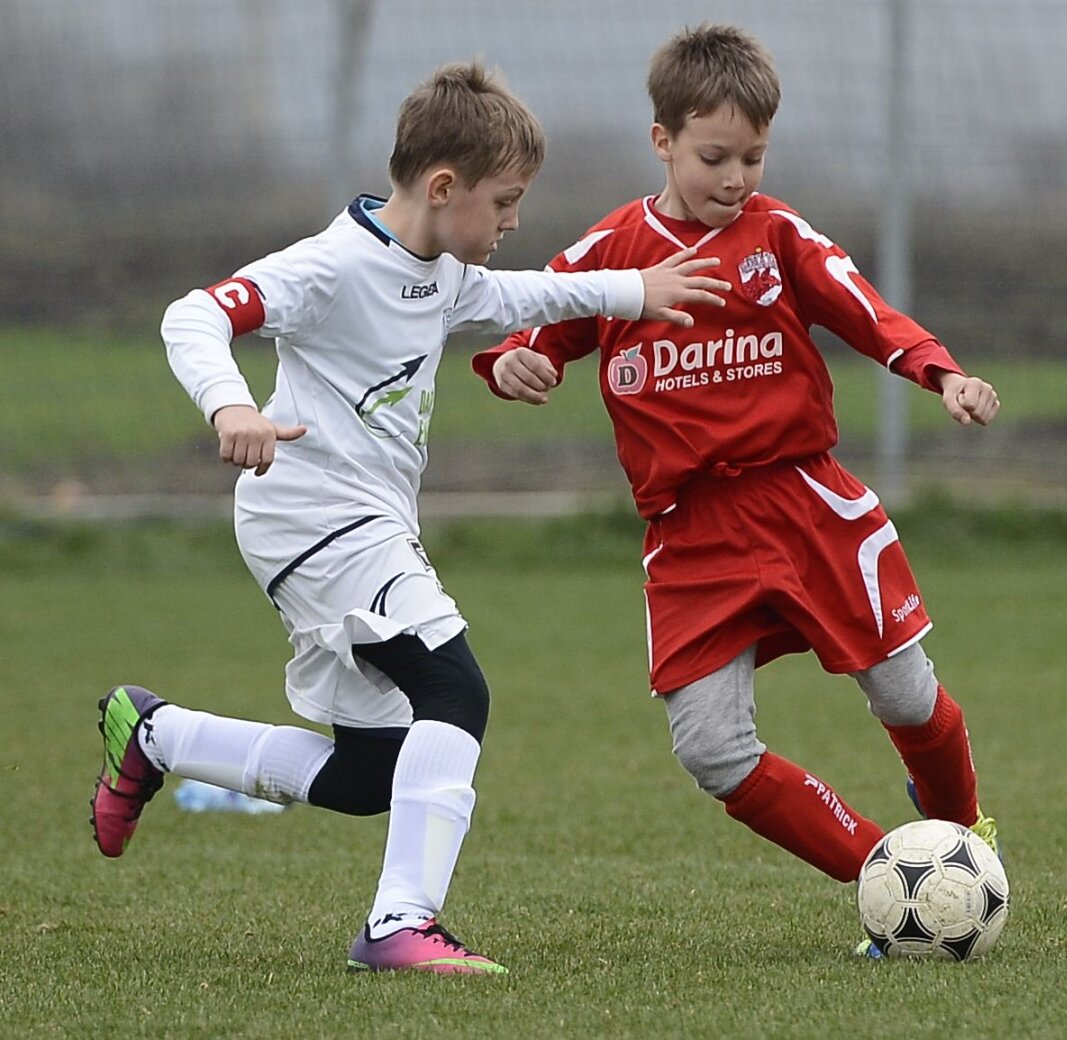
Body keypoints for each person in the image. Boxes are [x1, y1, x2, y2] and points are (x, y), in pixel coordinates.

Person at [89, 60, 729, 976]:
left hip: (344, 527)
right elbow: (195, 315)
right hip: (318, 518)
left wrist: (632, 291)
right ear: (442, 187)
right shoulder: (332, 266)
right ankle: (401, 924)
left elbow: (523, 298)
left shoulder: (439, 269)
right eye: (505, 201)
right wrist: (231, 407)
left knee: (368, 777)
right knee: (457, 692)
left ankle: (152, 734)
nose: (512, 222)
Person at [472, 24, 1002, 957]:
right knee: (712, 751)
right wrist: (513, 363)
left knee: (907, 696)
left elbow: (868, 312)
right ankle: (894, 878)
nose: (736, 177)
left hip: (806, 504)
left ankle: (965, 844)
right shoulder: (614, 250)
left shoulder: (777, 236)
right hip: (691, 535)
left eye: (753, 156)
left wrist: (940, 373)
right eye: (715, 156)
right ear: (663, 141)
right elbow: (529, 319)